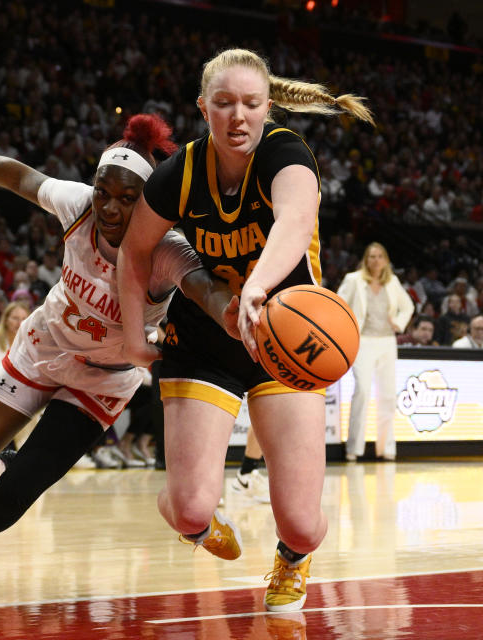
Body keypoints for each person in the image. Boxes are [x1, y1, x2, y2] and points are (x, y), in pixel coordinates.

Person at [0, 114, 232, 604]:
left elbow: (205, 287)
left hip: (102, 380)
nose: (111, 207)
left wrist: (242, 316)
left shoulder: (165, 248)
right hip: (43, 346)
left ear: (147, 200)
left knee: (24, 487)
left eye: (126, 198)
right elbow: (18, 174)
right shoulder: (78, 205)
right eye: (104, 192)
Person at [117, 48, 374, 612]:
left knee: (305, 524)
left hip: (286, 338)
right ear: (203, 107)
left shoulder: (286, 152)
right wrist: (136, 337)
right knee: (189, 510)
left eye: (252, 104)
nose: (239, 116)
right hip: (205, 339)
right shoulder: (178, 173)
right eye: (225, 103)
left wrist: (256, 288)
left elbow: (296, 219)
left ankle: (292, 557)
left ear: (268, 108)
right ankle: (198, 526)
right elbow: (134, 254)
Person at [337, 243, 414, 462]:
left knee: (388, 395)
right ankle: (354, 448)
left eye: (380, 256)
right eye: (372, 256)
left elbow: (408, 306)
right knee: (362, 391)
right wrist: (347, 329)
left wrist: (398, 323)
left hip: (387, 341)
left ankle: (386, 447)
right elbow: (339, 305)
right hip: (362, 341)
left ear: (386, 260)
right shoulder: (354, 280)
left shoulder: (393, 282)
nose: (376, 260)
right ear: (366, 259)